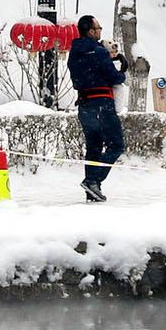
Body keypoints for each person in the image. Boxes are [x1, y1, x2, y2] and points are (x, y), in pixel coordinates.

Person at [66, 14, 127, 202]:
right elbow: (114, 78)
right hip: (103, 104)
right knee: (116, 145)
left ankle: (92, 191)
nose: (100, 31)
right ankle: (92, 180)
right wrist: (122, 70)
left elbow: (77, 79)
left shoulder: (74, 53)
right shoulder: (99, 52)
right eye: (98, 28)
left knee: (93, 146)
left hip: (84, 105)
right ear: (91, 31)